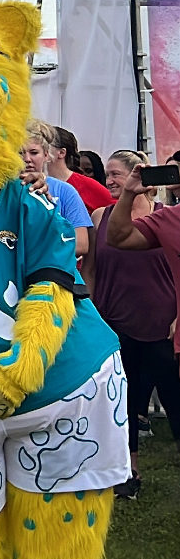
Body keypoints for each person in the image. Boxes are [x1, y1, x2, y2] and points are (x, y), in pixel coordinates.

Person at [94, 154, 180, 496]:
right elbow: (117, 239)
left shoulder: (162, 214)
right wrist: (129, 194)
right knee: (124, 401)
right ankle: (127, 472)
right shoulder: (169, 220)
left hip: (163, 322)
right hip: (119, 320)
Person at [21, 121, 90, 257]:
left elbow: (81, 244)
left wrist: (35, 250)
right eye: (20, 153)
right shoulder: (3, 191)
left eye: (34, 153)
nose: (27, 159)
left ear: (46, 155)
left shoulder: (65, 190)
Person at [48, 126, 113, 213]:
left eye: (45, 146)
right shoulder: (30, 183)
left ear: (61, 153)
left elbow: (119, 211)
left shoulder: (86, 185)